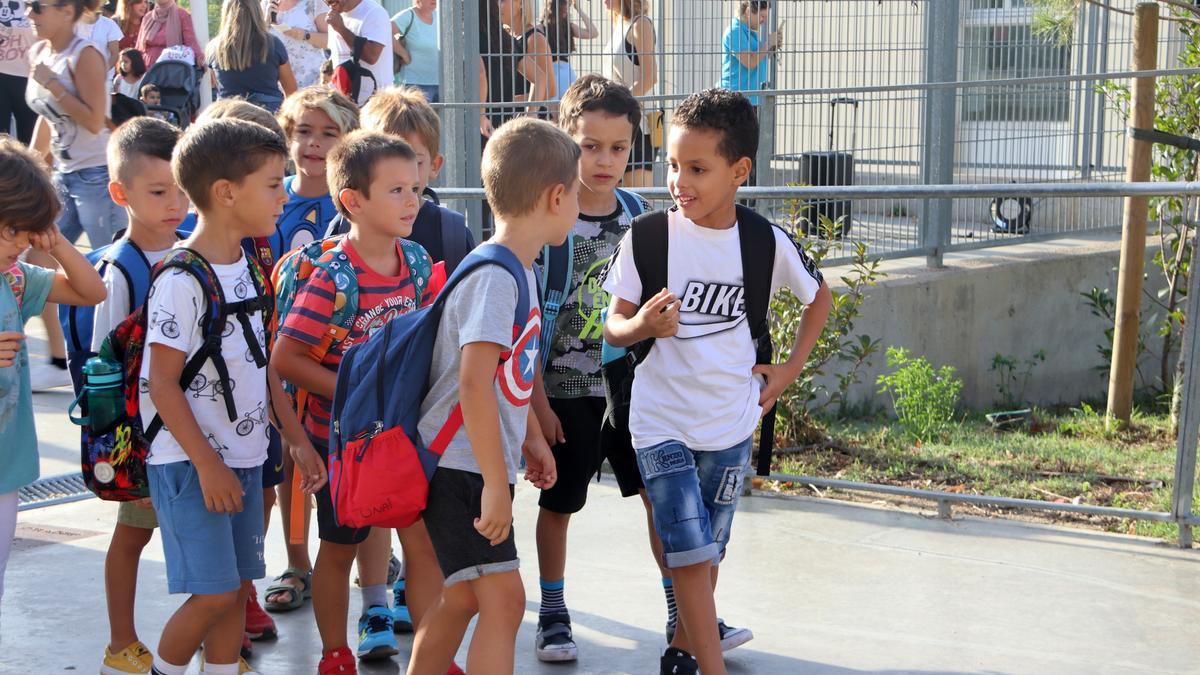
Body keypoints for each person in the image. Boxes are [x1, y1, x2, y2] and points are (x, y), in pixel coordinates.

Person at [602, 89, 832, 675]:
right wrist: (640, 326)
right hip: (659, 423)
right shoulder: (649, 237)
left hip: (730, 424)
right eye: (673, 165)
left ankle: (682, 647)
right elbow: (612, 325)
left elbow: (819, 298)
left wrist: (787, 372)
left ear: (740, 170)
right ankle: (711, 664)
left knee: (708, 552)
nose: (680, 181)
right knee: (685, 546)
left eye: (698, 169)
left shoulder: (763, 242)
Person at [140, 117, 318, 675]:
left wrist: (296, 440)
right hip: (192, 464)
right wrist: (208, 465)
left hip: (242, 458)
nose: (282, 195)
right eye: (272, 184)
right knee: (215, 594)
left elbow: (263, 367)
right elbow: (161, 382)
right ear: (225, 193)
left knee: (235, 591)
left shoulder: (251, 263)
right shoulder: (180, 278)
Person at [405, 117, 572, 675]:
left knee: (464, 596)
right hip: (461, 472)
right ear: (556, 197)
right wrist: (495, 486)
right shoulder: (498, 276)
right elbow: (474, 383)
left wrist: (528, 438)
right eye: (576, 195)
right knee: (504, 601)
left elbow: (505, 375)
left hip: (469, 466)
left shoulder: (514, 268)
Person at [272, 131, 434, 673]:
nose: (412, 201)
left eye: (415, 187)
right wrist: (358, 389)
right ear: (353, 201)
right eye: (396, 190)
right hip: (338, 442)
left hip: (397, 437)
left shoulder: (414, 262)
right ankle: (334, 654)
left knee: (420, 543)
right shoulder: (333, 278)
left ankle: (432, 654)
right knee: (339, 550)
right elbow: (286, 360)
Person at [527, 74, 644, 664]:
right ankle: (552, 611)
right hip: (564, 393)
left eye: (618, 148)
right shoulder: (548, 222)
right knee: (560, 503)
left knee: (660, 499)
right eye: (590, 146)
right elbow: (522, 323)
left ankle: (688, 610)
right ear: (566, 141)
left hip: (631, 393)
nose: (604, 160)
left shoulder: (641, 216)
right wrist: (536, 406)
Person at [89, 117, 186, 675]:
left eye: (178, 188)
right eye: (157, 192)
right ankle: (121, 643)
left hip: (190, 428)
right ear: (120, 194)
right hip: (141, 435)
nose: (173, 203)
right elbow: (110, 362)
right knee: (133, 536)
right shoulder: (120, 269)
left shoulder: (192, 250)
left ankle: (223, 645)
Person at [257, 86, 358, 619]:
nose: (315, 144)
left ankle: (349, 554)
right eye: (304, 131)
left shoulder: (350, 199)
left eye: (329, 133)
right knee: (287, 463)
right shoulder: (272, 197)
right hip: (275, 354)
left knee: (339, 464)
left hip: (332, 358)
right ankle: (297, 561)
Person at [0, 137, 106, 618]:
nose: (23, 243)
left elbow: (91, 291)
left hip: (7, 467)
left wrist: (57, 241)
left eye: (28, 232)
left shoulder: (15, 279)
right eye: (12, 231)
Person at [27, 0, 127, 391]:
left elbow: (91, 117)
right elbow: (46, 116)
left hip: (97, 178)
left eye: (38, 7)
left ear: (67, 10)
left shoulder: (84, 54)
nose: (30, 15)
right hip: (62, 179)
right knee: (36, 260)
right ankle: (57, 357)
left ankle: (128, 355)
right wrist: (33, 166)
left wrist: (52, 83)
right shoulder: (40, 53)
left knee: (113, 272)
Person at [326, 87, 475, 273]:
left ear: (434, 165)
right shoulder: (345, 227)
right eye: (389, 166)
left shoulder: (452, 235)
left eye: (415, 161)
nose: (403, 173)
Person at [208, 0, 298, 113]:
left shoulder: (213, 47)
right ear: (257, 12)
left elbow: (213, 84)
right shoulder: (273, 44)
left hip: (229, 116)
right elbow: (291, 92)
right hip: (268, 115)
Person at [604, 0, 657, 187]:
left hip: (637, 123)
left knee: (638, 199)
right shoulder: (620, 24)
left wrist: (621, 105)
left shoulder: (641, 24)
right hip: (616, 120)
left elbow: (650, 77)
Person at [324, 0, 393, 106]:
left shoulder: (374, 12)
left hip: (375, 104)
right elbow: (337, 57)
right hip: (344, 104)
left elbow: (371, 56)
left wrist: (341, 29)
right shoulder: (334, 17)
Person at [720, 1, 781, 107]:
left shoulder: (748, 32)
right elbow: (750, 62)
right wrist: (768, 44)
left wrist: (772, 46)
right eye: (762, 16)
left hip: (749, 98)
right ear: (748, 12)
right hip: (735, 100)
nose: (764, 21)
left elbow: (758, 58)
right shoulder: (735, 31)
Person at [540, 0, 597, 102]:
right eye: (563, 8)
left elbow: (593, 33)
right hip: (550, 69)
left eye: (567, 8)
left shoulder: (568, 27)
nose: (566, 11)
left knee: (567, 106)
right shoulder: (541, 28)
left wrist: (578, 9)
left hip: (564, 71)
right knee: (557, 109)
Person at [265, 0, 329, 89]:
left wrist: (304, 35)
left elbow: (330, 40)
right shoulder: (265, 5)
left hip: (312, 82)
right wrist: (265, 22)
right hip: (278, 85)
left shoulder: (314, 3)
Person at [0, 0, 38, 144]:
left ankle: (31, 167)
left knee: (30, 137)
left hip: (30, 76)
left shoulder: (36, 3)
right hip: (1, 75)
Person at [390, 0, 439, 102]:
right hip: (415, 86)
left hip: (442, 84)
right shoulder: (408, 16)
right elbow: (388, 33)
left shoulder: (440, 16)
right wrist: (404, 54)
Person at [136, 0, 204, 68]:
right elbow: (139, 47)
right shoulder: (147, 17)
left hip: (172, 69)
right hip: (148, 70)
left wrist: (199, 57)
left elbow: (190, 41)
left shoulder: (181, 15)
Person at [75, 0, 123, 80]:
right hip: (78, 78)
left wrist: (102, 71)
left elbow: (114, 54)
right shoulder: (72, 24)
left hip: (103, 79)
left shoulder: (109, 24)